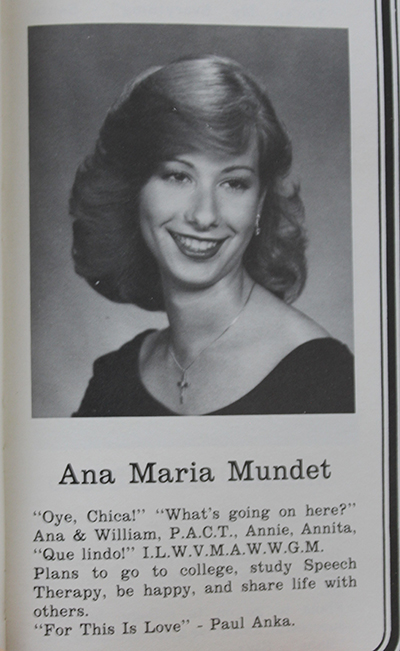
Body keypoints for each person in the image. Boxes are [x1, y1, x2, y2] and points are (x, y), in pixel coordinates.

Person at [70, 55, 354, 416]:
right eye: (178, 176)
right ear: (133, 189)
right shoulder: (115, 378)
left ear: (260, 202)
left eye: (234, 183)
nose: (204, 215)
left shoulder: (323, 377)